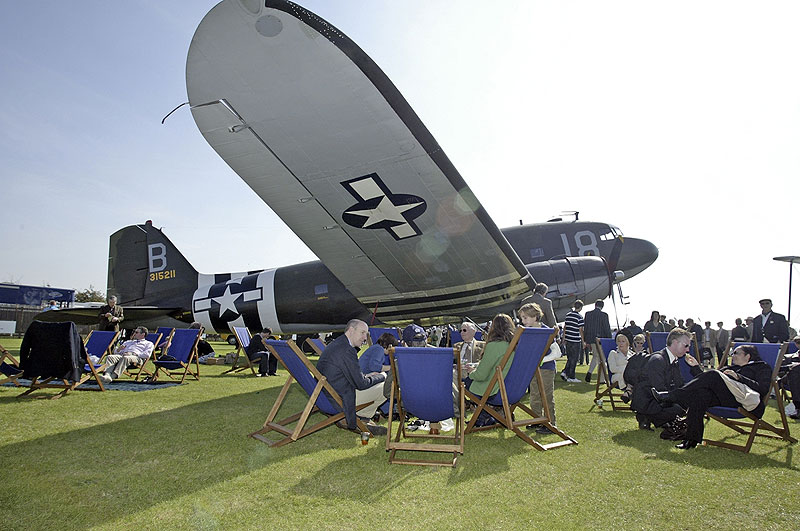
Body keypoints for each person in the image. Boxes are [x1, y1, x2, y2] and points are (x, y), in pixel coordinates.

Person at [651, 344, 772, 449]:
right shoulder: (730, 367)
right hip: (724, 398)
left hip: (744, 401)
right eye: (732, 353)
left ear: (748, 356)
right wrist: (696, 367)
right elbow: (707, 381)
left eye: (736, 353)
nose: (732, 355)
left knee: (714, 373)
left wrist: (739, 377)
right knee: (700, 395)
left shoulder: (761, 367)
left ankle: (671, 397)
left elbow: (763, 389)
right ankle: (691, 439)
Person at [316, 319, 387, 435]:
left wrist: (367, 376)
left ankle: (363, 419)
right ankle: (362, 419)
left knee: (377, 383)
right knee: (387, 387)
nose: (365, 338)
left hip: (327, 395)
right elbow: (361, 384)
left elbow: (347, 374)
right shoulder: (347, 350)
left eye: (366, 334)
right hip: (340, 399)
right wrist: (382, 376)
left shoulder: (338, 344)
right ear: (351, 330)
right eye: (362, 332)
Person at [630, 328, 703, 435]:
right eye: (686, 346)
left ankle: (662, 419)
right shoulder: (658, 360)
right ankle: (646, 417)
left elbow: (679, 385)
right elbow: (659, 390)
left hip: (659, 399)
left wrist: (695, 367)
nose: (687, 350)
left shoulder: (673, 360)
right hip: (649, 402)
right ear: (675, 343)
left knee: (689, 402)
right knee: (680, 408)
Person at [519, 303, 561, 433]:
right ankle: (537, 419)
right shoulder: (527, 332)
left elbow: (557, 352)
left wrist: (541, 360)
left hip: (546, 369)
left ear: (535, 317)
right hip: (533, 369)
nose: (522, 321)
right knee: (535, 395)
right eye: (522, 318)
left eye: (525, 318)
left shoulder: (546, 330)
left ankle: (550, 423)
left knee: (546, 395)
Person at [463, 314, 516, 398]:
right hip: (509, 389)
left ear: (493, 327)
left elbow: (481, 376)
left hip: (491, 390)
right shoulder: (514, 345)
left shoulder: (494, 346)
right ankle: (486, 410)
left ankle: (476, 409)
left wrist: (471, 373)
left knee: (462, 383)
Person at [584, 299, 612, 383]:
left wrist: (586, 340)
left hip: (591, 339)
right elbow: (606, 328)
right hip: (601, 339)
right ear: (602, 306)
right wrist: (609, 340)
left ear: (595, 305)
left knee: (596, 356)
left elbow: (586, 327)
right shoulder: (604, 315)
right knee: (602, 359)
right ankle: (601, 379)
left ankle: (589, 372)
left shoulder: (588, 314)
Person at [561, 300, 584, 383]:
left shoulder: (568, 315)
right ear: (580, 307)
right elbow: (581, 330)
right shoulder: (580, 317)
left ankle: (565, 372)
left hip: (568, 339)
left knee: (570, 357)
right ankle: (571, 376)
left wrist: (563, 338)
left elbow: (565, 327)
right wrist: (583, 341)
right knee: (574, 359)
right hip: (575, 340)